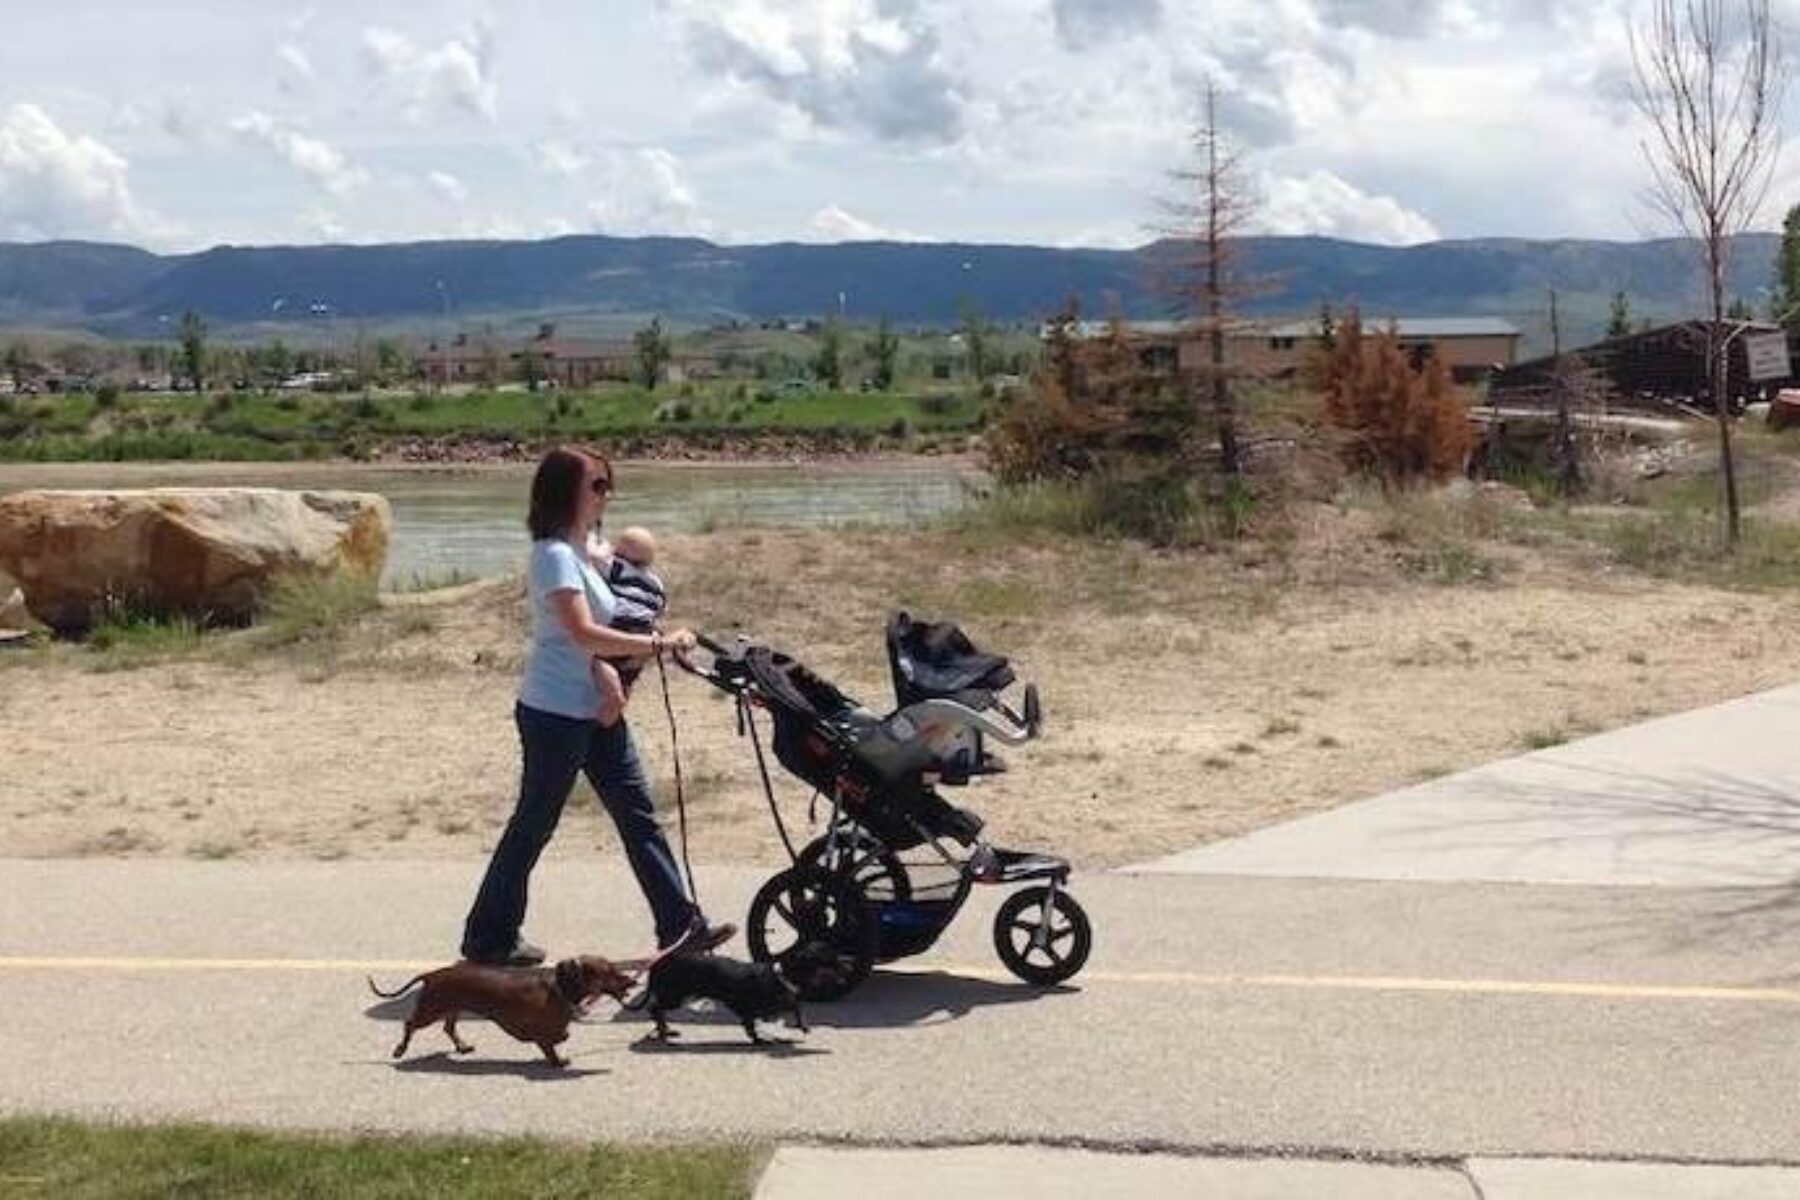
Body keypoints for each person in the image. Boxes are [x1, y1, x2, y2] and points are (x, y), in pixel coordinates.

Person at [460, 447, 732, 966]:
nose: (607, 494)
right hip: (555, 713)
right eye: (597, 485)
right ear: (566, 492)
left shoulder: (588, 550)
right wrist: (659, 646)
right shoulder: (553, 556)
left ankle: (681, 927)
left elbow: (627, 605)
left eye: (608, 484)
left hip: (597, 711)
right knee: (534, 824)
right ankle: (488, 937)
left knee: (638, 815)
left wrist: (640, 643)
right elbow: (583, 634)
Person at [588, 525, 666, 729]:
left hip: (621, 627)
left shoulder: (617, 566)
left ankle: (604, 717)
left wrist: (602, 545)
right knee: (629, 676)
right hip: (644, 633)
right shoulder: (655, 582)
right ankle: (616, 709)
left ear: (619, 551)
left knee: (599, 660)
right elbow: (659, 609)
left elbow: (593, 557)